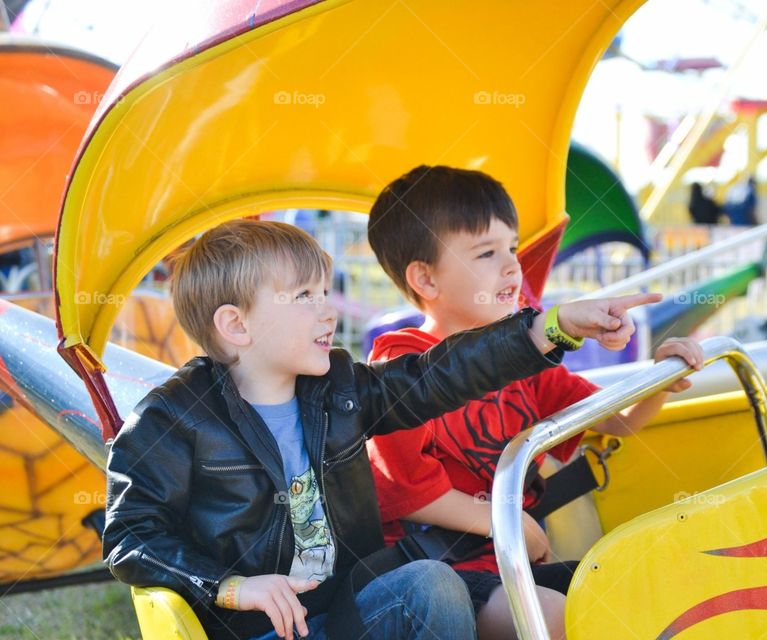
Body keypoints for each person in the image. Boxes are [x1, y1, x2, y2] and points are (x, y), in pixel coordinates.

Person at [102, 219, 654, 640]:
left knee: (433, 582)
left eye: (324, 292)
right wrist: (233, 588)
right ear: (236, 325)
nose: (328, 313)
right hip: (258, 628)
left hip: (343, 613)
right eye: (303, 297)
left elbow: (438, 375)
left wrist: (551, 328)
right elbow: (131, 536)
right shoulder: (171, 418)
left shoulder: (335, 389)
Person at [365, 166, 704, 640]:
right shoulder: (400, 363)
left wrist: (660, 379)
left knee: (648, 595)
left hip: (510, 565)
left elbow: (620, 422)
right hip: (441, 569)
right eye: (487, 253)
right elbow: (409, 491)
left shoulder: (526, 365)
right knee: (566, 618)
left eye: (512, 248)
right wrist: (507, 524)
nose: (511, 266)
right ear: (426, 279)